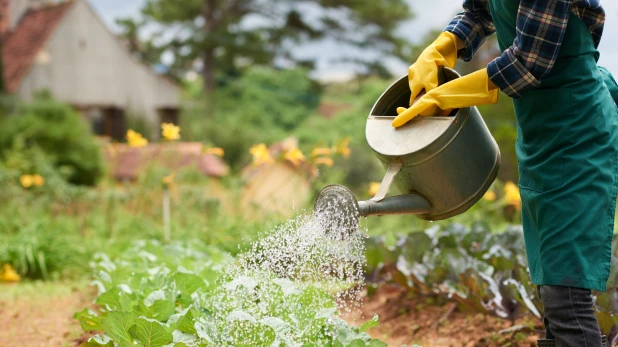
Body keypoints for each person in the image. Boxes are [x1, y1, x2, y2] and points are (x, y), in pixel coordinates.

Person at [394, 1, 618, 346]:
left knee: (566, 294)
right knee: (550, 285)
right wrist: (443, 46)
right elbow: (478, 11)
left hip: (578, 130)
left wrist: (448, 95)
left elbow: (528, 63)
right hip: (541, 132)